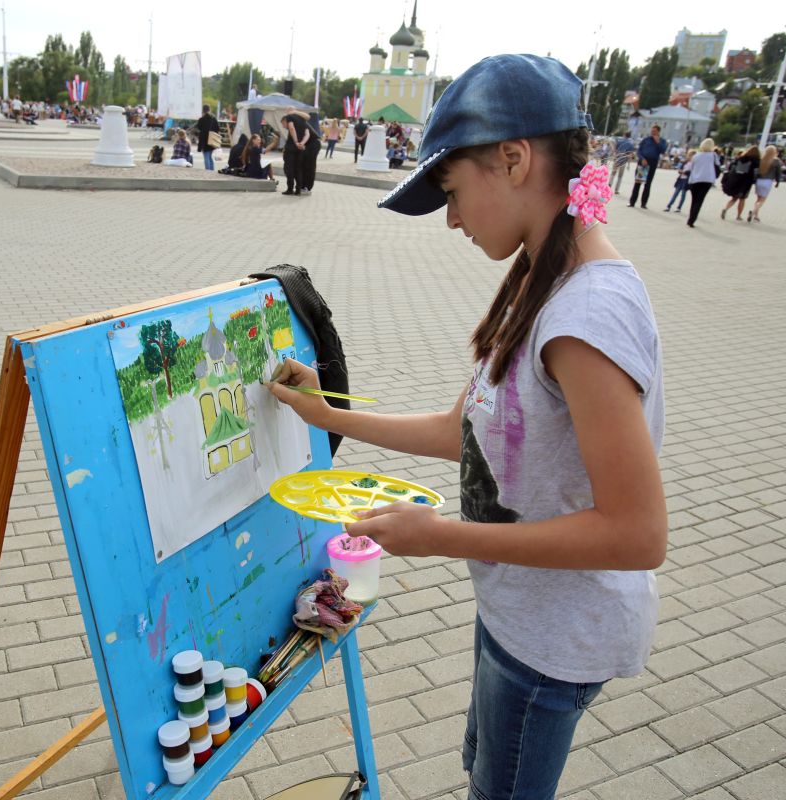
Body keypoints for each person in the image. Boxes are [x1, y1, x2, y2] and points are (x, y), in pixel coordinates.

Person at [270, 54, 666, 800]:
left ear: (514, 160)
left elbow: (638, 534)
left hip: (555, 641)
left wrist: (443, 537)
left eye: (451, 192)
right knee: (486, 770)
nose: (451, 219)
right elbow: (467, 428)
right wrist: (332, 414)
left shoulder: (585, 314)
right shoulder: (538, 276)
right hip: (518, 614)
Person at [628, 125, 667, 208]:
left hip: (652, 162)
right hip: (643, 161)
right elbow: (639, 151)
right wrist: (642, 159)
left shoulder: (662, 141)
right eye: (652, 131)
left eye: (654, 131)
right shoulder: (646, 140)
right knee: (638, 182)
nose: (652, 132)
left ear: (658, 132)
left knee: (648, 183)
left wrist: (657, 142)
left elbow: (663, 150)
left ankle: (643, 203)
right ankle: (632, 202)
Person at [684, 137, 719, 228]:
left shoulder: (696, 156)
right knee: (699, 201)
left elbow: (691, 168)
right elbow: (717, 167)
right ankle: (692, 220)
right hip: (707, 180)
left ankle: (691, 218)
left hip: (695, 180)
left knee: (694, 200)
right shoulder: (713, 155)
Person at [721, 144, 759, 221]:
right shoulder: (755, 161)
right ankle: (738, 215)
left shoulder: (741, 158)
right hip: (746, 182)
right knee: (742, 199)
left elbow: (732, 167)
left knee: (734, 198)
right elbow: (755, 172)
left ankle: (725, 208)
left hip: (736, 180)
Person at [282, 108, 311, 196]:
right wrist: (302, 143)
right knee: (298, 168)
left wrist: (296, 142)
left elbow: (291, 128)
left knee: (289, 168)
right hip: (301, 148)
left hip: (291, 145)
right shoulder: (303, 120)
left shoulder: (289, 116)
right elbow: (307, 134)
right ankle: (298, 189)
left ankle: (290, 189)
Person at [748, 145, 781, 223]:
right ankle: (753, 212)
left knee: (758, 199)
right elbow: (778, 173)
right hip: (768, 181)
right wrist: (777, 182)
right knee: (762, 200)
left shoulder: (761, 159)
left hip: (759, 181)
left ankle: (756, 215)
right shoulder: (776, 161)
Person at [196, 105, 221, 171]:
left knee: (206, 157)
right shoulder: (213, 118)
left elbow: (199, 128)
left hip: (204, 140)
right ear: (209, 110)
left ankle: (208, 171)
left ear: (203, 110)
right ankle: (212, 170)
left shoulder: (201, 119)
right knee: (210, 156)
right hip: (212, 139)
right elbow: (218, 128)